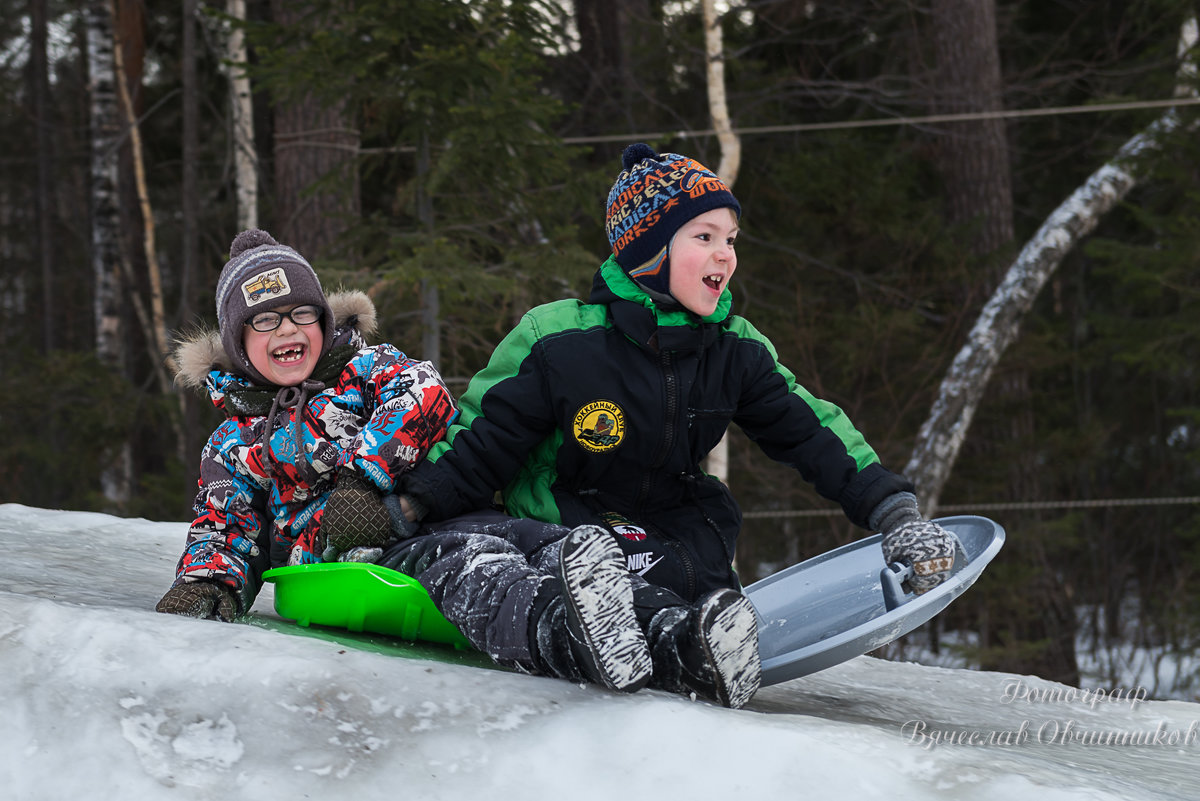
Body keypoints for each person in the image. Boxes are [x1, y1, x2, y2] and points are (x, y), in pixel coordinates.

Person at [389, 144, 959, 708]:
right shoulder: (560, 340)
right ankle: (632, 633)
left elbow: (813, 433)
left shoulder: (735, 348)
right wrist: (408, 510)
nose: (725, 256)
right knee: (584, 564)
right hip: (570, 529)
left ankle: (700, 639)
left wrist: (894, 514)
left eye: (730, 240)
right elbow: (484, 441)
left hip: (677, 534)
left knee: (692, 576)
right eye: (704, 237)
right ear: (647, 251)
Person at [155, 229, 656, 699]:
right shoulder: (232, 443)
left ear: (323, 320)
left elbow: (425, 393)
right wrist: (205, 586)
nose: (287, 329)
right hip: (356, 555)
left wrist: (360, 477)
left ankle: (675, 630)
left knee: (540, 541)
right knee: (476, 566)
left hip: (429, 506)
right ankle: (564, 634)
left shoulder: (367, 368)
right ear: (238, 344)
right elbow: (224, 527)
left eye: (302, 313)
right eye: (264, 320)